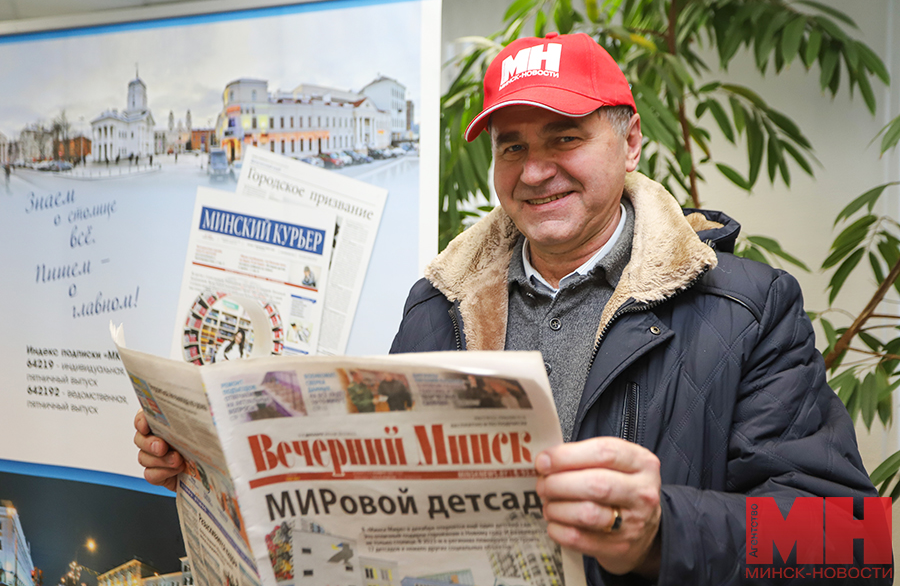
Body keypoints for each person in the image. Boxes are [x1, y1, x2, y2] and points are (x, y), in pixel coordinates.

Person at [134, 32, 885, 583]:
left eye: (565, 138)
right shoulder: (436, 305)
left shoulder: (747, 308)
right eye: (511, 146)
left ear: (630, 144)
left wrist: (664, 530)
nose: (534, 171)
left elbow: (848, 544)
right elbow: (375, 511)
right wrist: (216, 464)